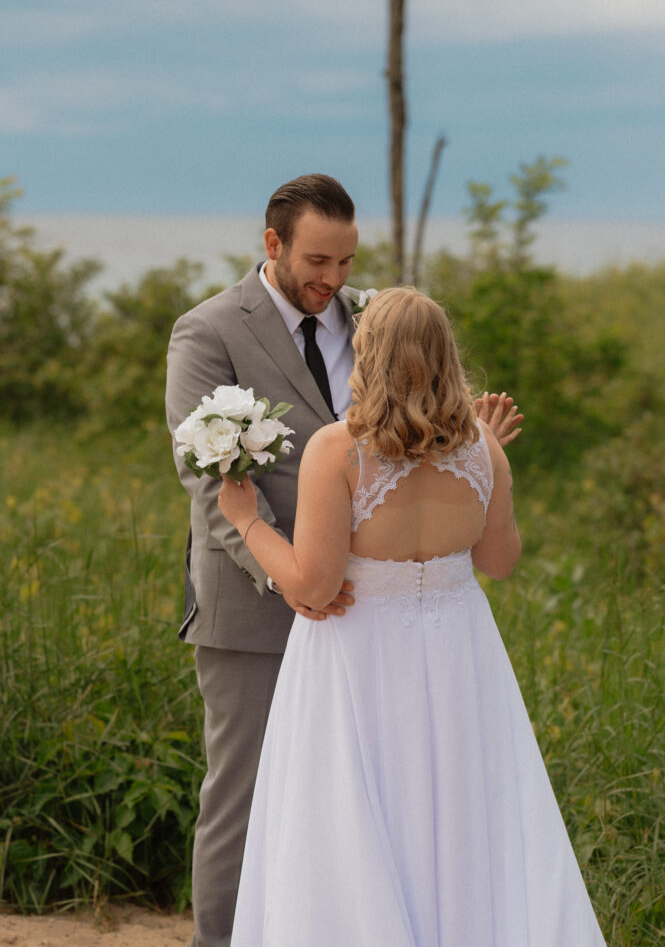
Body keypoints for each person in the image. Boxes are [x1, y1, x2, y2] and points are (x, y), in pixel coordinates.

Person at [165, 174, 522, 947]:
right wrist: (289, 577)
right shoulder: (209, 331)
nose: (334, 280)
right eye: (318, 261)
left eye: (347, 262)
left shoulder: (374, 320)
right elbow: (204, 471)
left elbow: (405, 433)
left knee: (375, 796)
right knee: (250, 793)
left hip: (374, 617)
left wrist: (467, 444)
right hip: (258, 599)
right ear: (274, 245)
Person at [217, 287, 607, 947]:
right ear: (444, 355)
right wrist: (493, 464)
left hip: (357, 657)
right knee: (466, 810)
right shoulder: (483, 448)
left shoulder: (337, 449)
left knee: (355, 813)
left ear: (367, 354)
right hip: (460, 651)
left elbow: (314, 584)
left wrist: (247, 519)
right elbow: (501, 559)